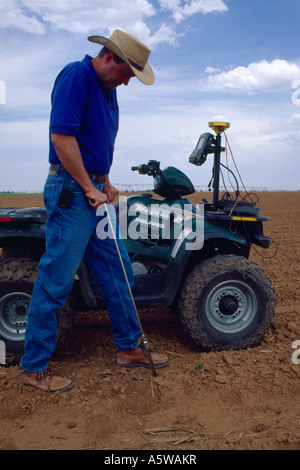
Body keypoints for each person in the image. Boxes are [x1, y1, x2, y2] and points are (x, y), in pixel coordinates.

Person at [20, 29, 170, 392]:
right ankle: (33, 367)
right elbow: (62, 137)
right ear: (109, 58)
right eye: (126, 74)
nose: (127, 83)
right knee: (55, 282)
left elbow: (95, 143)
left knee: (118, 272)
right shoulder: (76, 76)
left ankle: (128, 348)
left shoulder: (108, 90)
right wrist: (88, 186)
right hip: (72, 194)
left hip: (91, 191)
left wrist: (104, 182)